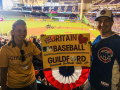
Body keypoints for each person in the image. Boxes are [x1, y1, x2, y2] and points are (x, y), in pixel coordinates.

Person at [0, 20, 42, 90]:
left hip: (31, 83)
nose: (22, 33)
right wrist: (3, 88)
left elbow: (42, 57)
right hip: (14, 86)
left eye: (24, 31)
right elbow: (3, 72)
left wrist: (45, 45)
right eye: (19, 30)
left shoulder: (30, 45)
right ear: (12, 32)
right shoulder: (4, 50)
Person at [89, 9, 120, 90]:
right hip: (92, 82)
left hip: (106, 87)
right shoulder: (97, 39)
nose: (102, 24)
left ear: (112, 22)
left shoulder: (118, 42)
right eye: (99, 21)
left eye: (106, 21)